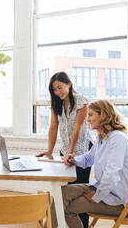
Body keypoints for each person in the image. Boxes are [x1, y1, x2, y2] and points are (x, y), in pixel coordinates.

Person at [57, 100, 128, 228]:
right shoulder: (102, 137)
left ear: (103, 115)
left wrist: (98, 194)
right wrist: (74, 160)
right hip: (103, 189)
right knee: (61, 192)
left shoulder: (117, 139)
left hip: (118, 201)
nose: (87, 120)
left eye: (91, 115)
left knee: (67, 208)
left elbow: (112, 174)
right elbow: (89, 158)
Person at [36, 71, 92, 227]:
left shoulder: (82, 101)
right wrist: (49, 151)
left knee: (80, 190)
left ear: (69, 84)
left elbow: (78, 128)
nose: (57, 92)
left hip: (83, 151)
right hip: (66, 150)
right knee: (68, 190)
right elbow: (53, 128)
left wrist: (71, 152)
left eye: (60, 87)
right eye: (54, 89)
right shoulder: (56, 103)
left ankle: (83, 225)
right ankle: (66, 223)